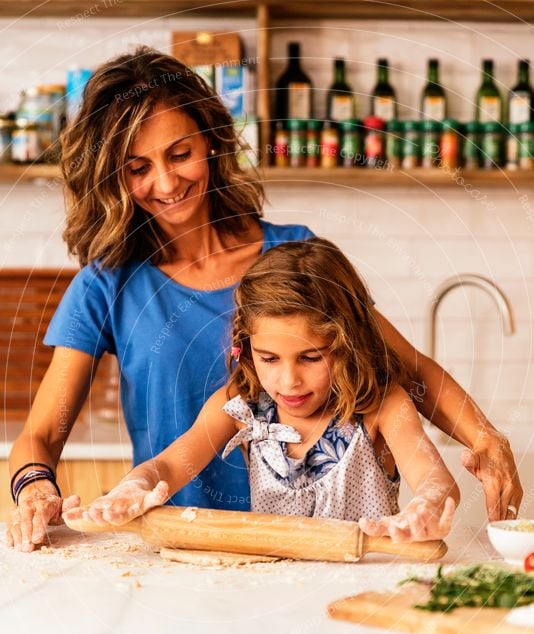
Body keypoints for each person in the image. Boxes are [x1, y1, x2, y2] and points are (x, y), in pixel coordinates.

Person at [6, 47, 521, 553]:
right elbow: (44, 432)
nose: (165, 183)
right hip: (181, 548)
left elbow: (411, 371)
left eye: (180, 154)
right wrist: (34, 489)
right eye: (137, 167)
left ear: (211, 141)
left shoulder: (294, 260)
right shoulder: (108, 284)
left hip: (310, 555)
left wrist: (485, 438)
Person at [65, 238, 459, 542]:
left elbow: (436, 480)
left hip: (363, 593)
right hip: (273, 599)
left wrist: (425, 509)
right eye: (269, 359)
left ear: (346, 344)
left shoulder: (383, 407)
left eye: (310, 358)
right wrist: (132, 488)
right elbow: (166, 466)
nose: (288, 381)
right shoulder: (241, 406)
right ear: (245, 345)